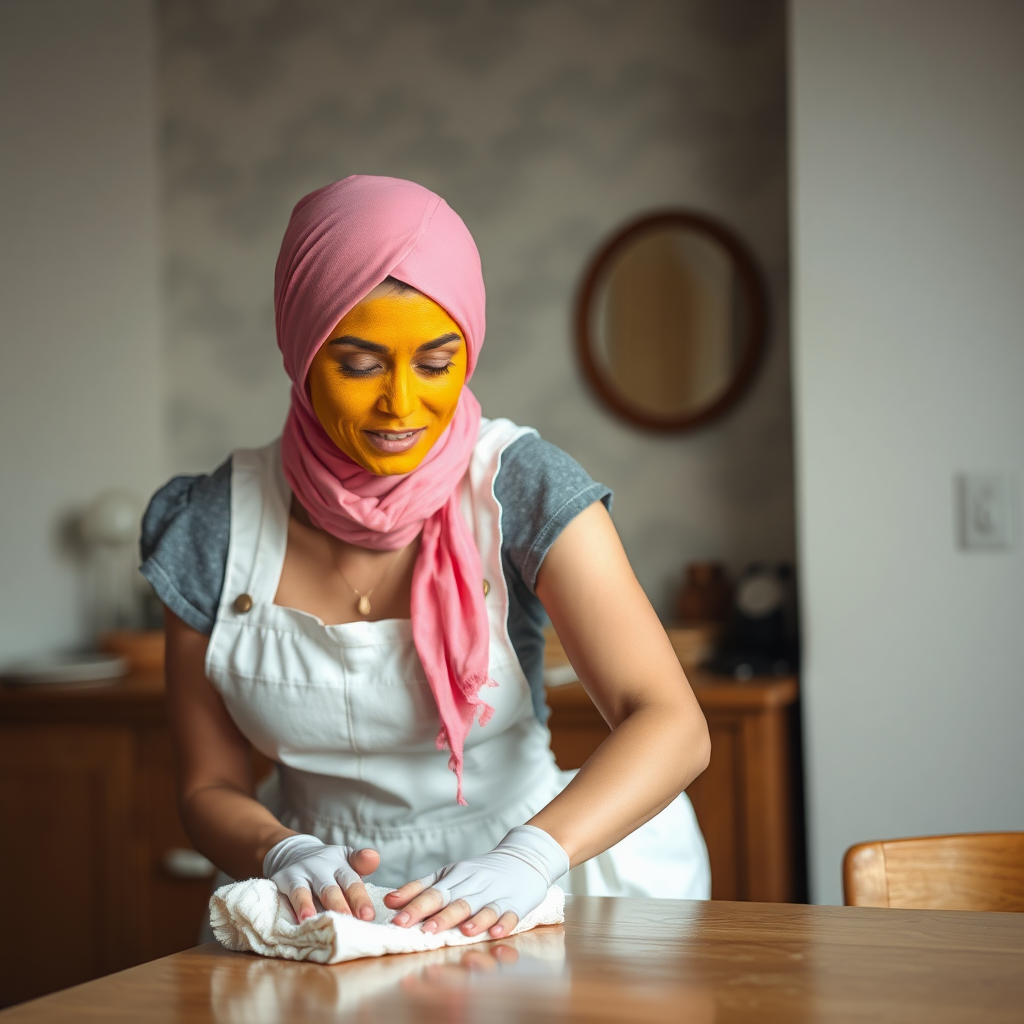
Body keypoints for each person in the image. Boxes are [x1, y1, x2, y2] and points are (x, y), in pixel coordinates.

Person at [141, 175, 711, 942]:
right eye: (361, 364)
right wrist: (281, 849)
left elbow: (671, 723)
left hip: (537, 880)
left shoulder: (521, 486)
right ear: (300, 348)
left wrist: (528, 856)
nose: (402, 407)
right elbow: (208, 783)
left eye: (436, 365)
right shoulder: (211, 523)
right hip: (326, 903)